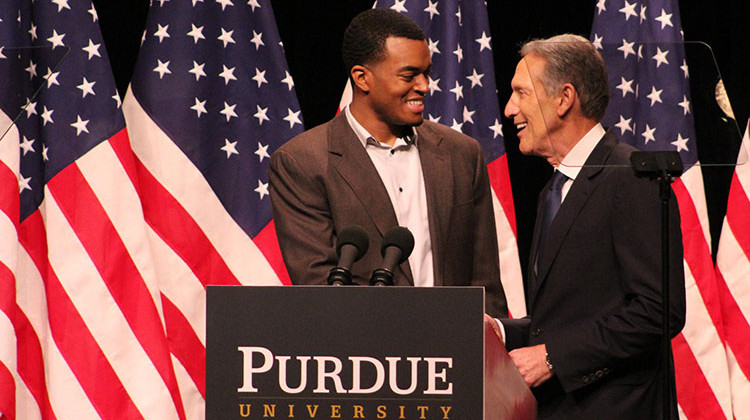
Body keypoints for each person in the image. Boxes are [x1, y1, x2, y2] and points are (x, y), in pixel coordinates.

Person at [492, 34, 686, 418]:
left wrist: (552, 357)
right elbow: (573, 315)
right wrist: (502, 332)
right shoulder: (554, 189)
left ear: (564, 99)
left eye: (521, 93)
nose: (510, 108)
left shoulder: (629, 177)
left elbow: (658, 310)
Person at [268, 8, 508, 317]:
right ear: (362, 78)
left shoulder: (462, 154)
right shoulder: (303, 162)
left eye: (427, 73)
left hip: (453, 352)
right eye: (409, 75)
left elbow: (484, 283)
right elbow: (318, 284)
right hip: (362, 355)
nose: (424, 86)